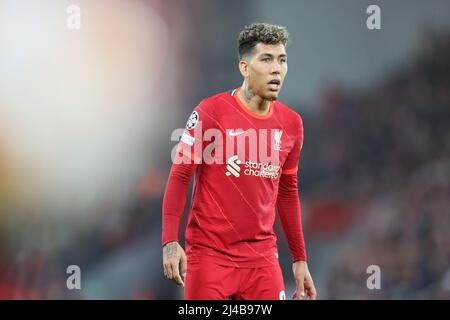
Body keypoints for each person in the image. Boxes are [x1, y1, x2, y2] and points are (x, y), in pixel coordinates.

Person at [162, 23, 316, 300]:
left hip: (262, 260)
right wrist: (170, 241)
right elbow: (180, 176)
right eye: (266, 60)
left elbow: (288, 192)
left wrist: (299, 259)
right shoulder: (211, 112)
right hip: (210, 258)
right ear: (245, 68)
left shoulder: (292, 124)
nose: (276, 69)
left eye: (282, 60)